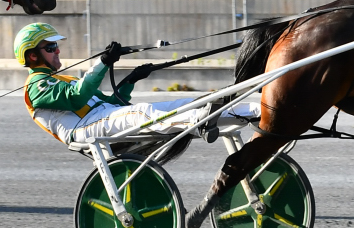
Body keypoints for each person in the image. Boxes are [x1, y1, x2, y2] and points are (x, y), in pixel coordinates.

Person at [14, 22, 258, 146]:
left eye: (56, 45)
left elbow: (110, 102)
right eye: (50, 47)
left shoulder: (61, 79)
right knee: (144, 113)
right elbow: (77, 98)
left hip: (101, 118)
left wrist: (131, 79)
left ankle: (258, 113)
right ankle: (199, 121)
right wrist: (102, 63)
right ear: (32, 56)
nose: (57, 51)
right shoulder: (36, 86)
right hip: (83, 130)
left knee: (188, 102)